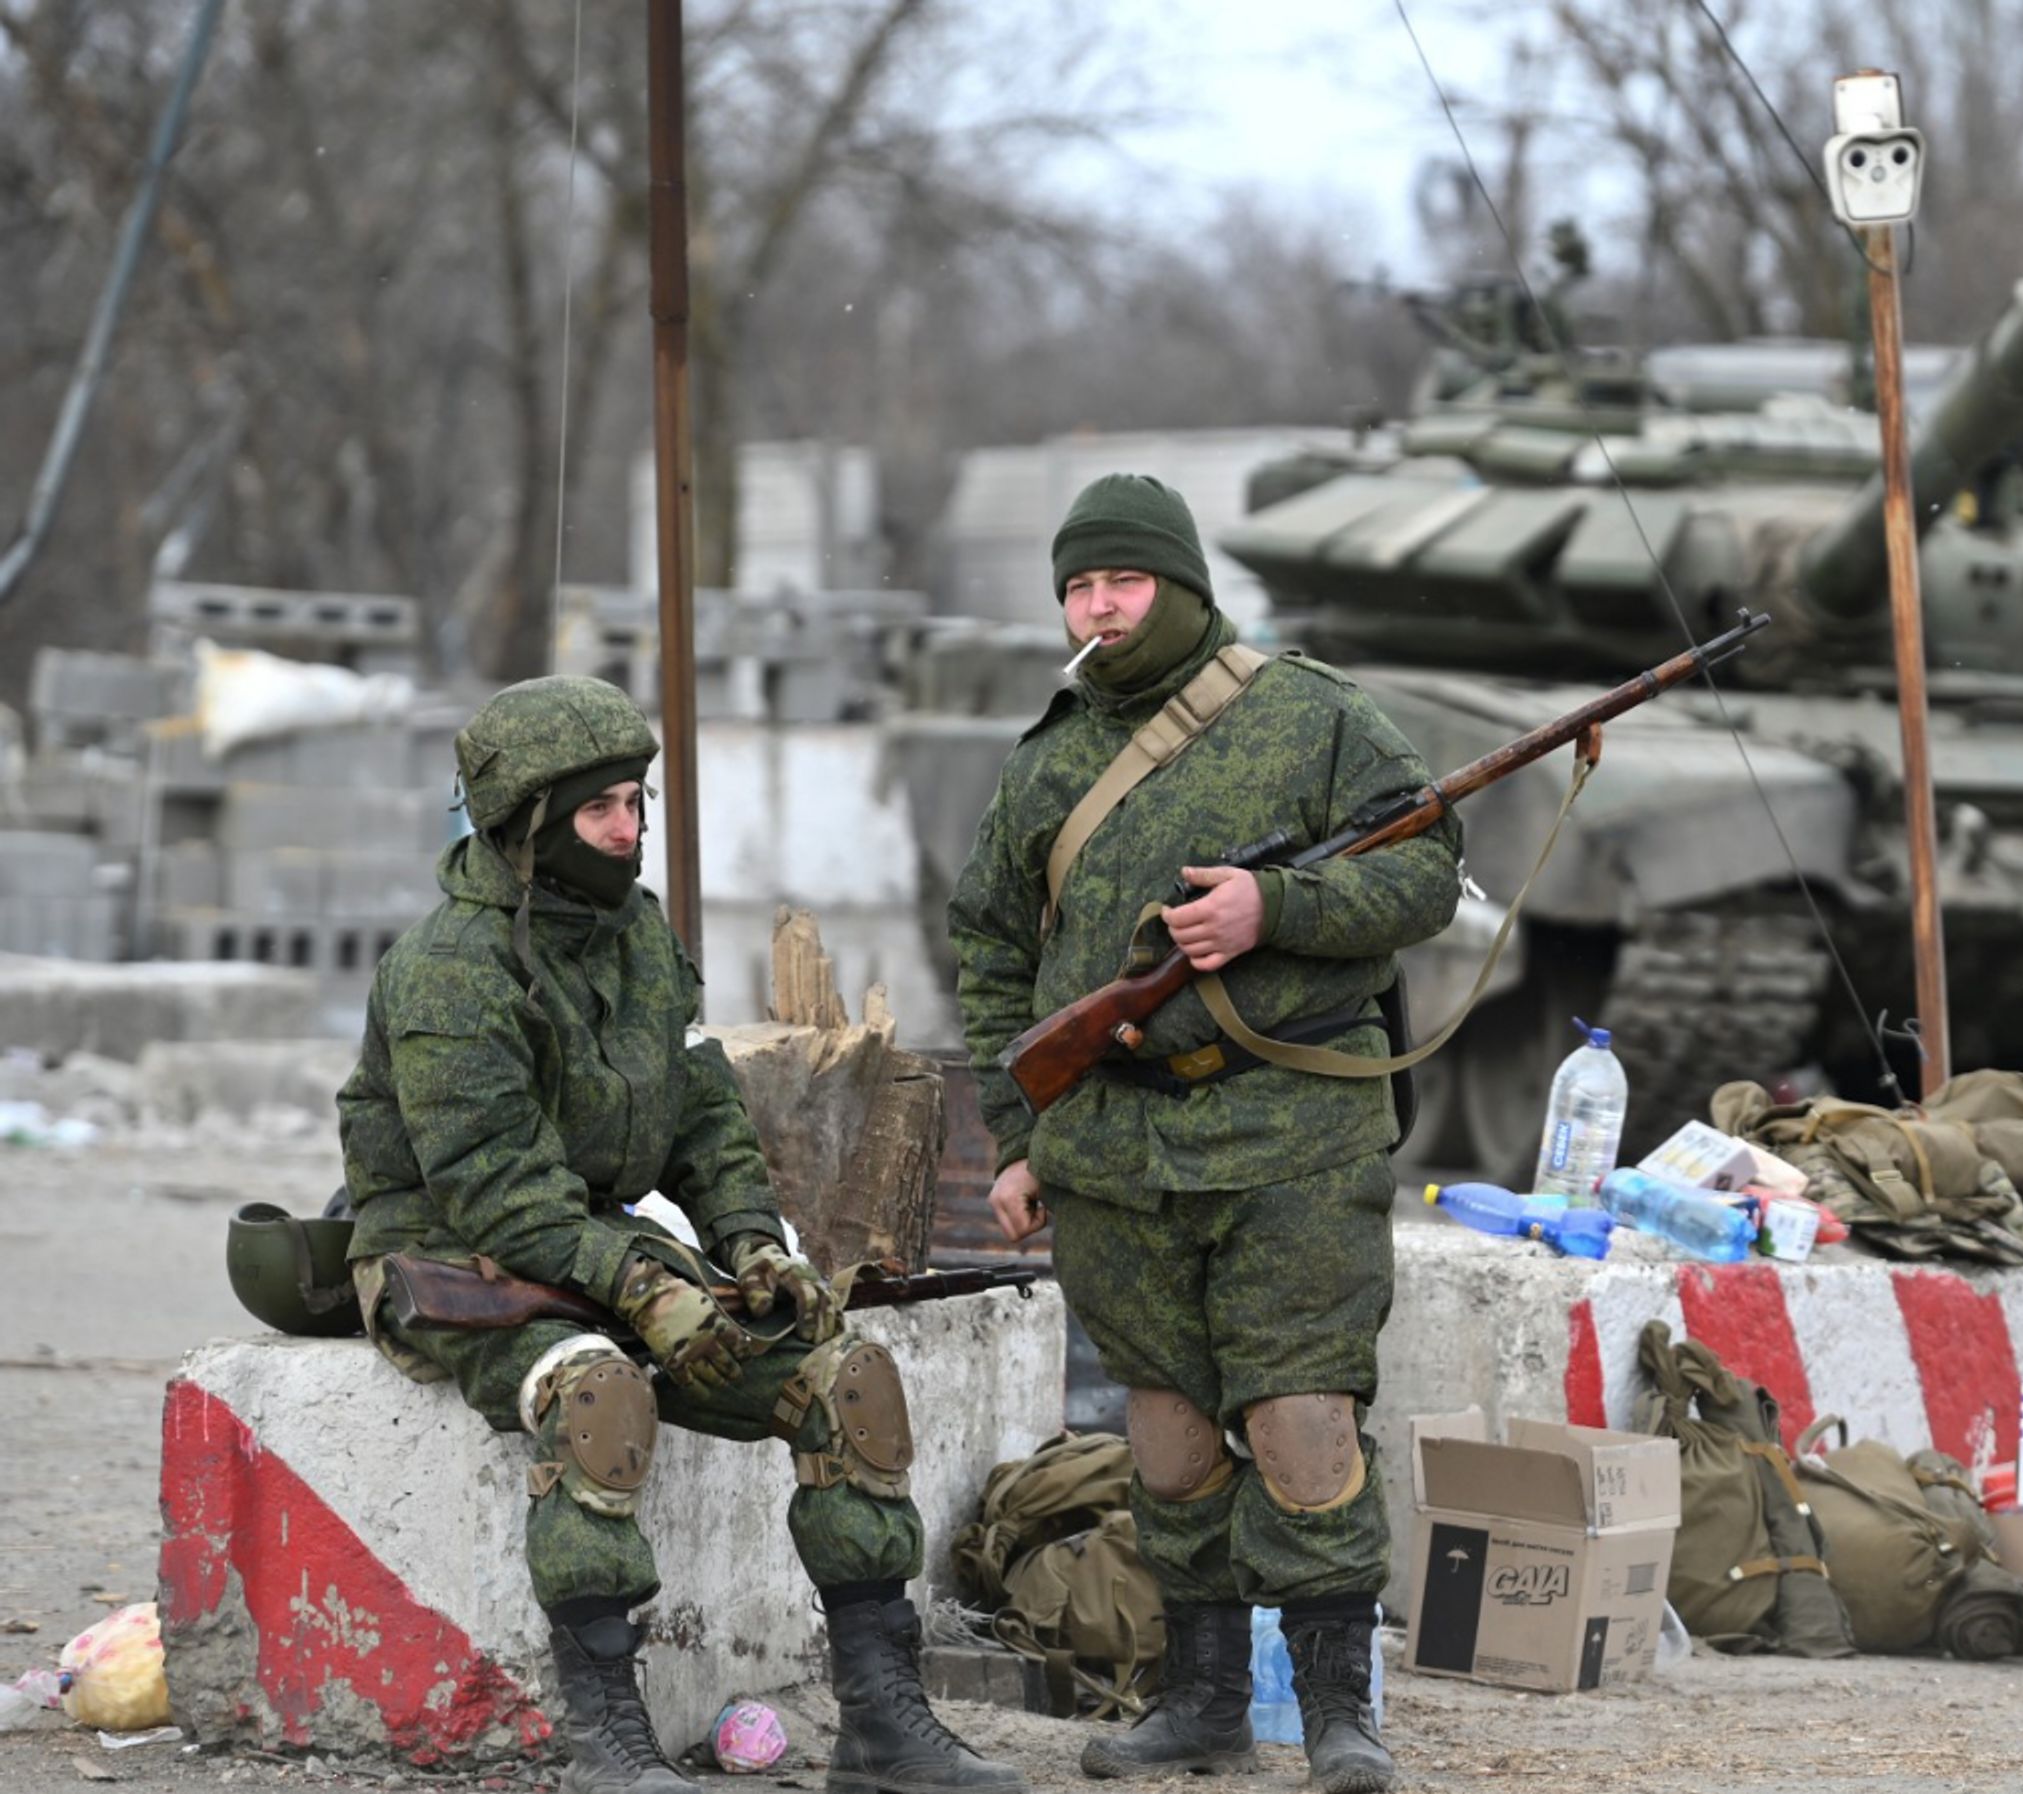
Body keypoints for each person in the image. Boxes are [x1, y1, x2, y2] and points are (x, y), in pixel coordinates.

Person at [337, 675, 1018, 1794]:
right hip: (452, 1256)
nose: (629, 830)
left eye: (636, 802)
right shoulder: (449, 969)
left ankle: (882, 1726)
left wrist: (753, 1245)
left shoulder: (636, 938)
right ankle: (607, 1741)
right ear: (528, 827)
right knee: (600, 1394)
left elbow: (703, 1116)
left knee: (845, 1381)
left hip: (591, 1243)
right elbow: (495, 1185)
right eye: (600, 809)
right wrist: (647, 1292)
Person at [948, 475, 1461, 1792]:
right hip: (1115, 1146)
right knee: (1170, 1439)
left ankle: (1339, 1711)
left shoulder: (1313, 714)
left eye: (1122, 581)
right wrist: (1017, 1136)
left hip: (1293, 1129)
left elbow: (1425, 872)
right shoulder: (1048, 759)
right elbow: (991, 952)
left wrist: (1270, 910)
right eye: (1078, 587)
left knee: (1301, 1420)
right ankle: (1203, 1702)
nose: (1099, 608)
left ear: (1179, 585)